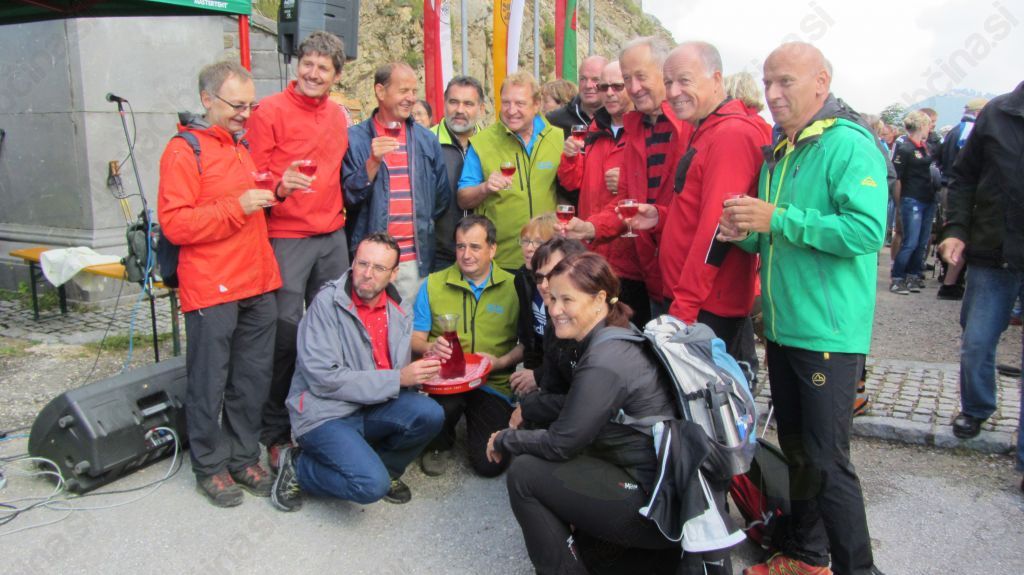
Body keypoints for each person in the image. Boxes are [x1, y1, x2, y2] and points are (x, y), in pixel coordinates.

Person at [719, 42, 887, 575]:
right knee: (799, 454)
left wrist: (777, 218)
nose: (772, 93)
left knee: (827, 461)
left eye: (785, 81)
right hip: (784, 329)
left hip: (828, 334)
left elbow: (866, 232)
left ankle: (859, 568)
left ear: (821, 82)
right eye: (767, 81)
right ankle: (807, 556)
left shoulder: (848, 143)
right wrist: (745, 234)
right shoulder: (784, 147)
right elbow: (778, 236)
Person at [488, 252, 730, 575]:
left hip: (654, 505)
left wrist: (505, 439)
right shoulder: (617, 333)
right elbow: (577, 412)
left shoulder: (605, 359)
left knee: (524, 474)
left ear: (600, 299)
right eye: (553, 298)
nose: (555, 309)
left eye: (567, 300)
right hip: (660, 489)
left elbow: (561, 443)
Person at [158, 60, 281, 507]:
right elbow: (175, 224)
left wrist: (275, 193)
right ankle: (210, 466)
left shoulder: (240, 145)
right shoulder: (183, 151)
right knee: (209, 382)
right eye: (237, 105)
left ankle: (243, 456)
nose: (245, 114)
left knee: (252, 380)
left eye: (251, 105)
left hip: (257, 281)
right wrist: (238, 206)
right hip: (213, 286)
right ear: (207, 99)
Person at [271, 234, 445, 512]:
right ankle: (299, 466)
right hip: (325, 413)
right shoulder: (326, 304)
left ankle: (384, 468)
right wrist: (399, 378)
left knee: (430, 413)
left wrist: (429, 359)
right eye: (363, 263)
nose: (367, 273)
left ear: (393, 274)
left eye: (379, 268)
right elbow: (324, 379)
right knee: (370, 486)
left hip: (371, 405)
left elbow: (397, 368)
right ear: (353, 263)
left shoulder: (400, 308)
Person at [628, 42, 769, 377]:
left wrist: (684, 309)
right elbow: (697, 211)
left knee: (704, 400)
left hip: (706, 307)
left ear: (716, 79)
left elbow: (715, 230)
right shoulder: (705, 128)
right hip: (695, 301)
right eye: (669, 82)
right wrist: (662, 216)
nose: (674, 92)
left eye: (684, 81)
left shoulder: (730, 134)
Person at [247, 31, 351, 468]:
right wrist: (278, 185)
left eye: (323, 67)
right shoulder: (269, 111)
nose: (313, 72)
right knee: (285, 336)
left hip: (332, 236)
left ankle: (328, 418)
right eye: (307, 63)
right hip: (287, 236)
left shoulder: (338, 115)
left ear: (336, 75)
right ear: (296, 64)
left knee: (335, 331)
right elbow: (250, 175)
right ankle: (274, 430)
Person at [564, 36, 691, 316]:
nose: (633, 88)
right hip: (655, 276)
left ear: (664, 73)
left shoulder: (688, 125)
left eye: (640, 77)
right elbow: (626, 201)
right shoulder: (638, 129)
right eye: (627, 78)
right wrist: (590, 228)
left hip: (689, 281)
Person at [938, 81, 1024, 492]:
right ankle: (976, 406)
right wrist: (955, 229)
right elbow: (963, 178)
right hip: (994, 251)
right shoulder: (998, 113)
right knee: (976, 341)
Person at [412, 215, 523, 477]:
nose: (466, 254)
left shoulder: (515, 286)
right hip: (446, 379)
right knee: (444, 408)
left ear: (492, 249)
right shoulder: (433, 284)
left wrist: (501, 362)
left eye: (475, 247)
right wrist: (431, 346)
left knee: (489, 466)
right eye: (461, 246)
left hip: (493, 381)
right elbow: (414, 339)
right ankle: (439, 443)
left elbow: (528, 345)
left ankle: (484, 420)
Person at [343, 62, 451, 302]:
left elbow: (441, 198)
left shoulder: (426, 140)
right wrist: (373, 162)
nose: (411, 98)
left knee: (410, 323)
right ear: (380, 91)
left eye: (414, 91)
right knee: (368, 322)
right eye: (403, 91)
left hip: (413, 261)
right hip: (370, 261)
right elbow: (348, 198)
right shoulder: (355, 139)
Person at [557, 59, 650, 328]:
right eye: (604, 86)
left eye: (617, 86)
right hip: (592, 255)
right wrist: (570, 157)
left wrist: (629, 180)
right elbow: (571, 183)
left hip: (630, 261)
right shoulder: (594, 130)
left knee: (627, 335)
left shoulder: (645, 131)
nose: (609, 93)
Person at [457, 72, 563, 272]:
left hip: (549, 258)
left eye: (520, 103)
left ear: (537, 104)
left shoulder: (557, 138)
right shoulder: (482, 142)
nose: (511, 110)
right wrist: (485, 188)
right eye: (506, 103)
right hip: (502, 260)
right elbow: (463, 198)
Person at [510, 237, 589, 429]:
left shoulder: (596, 327)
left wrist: (528, 407)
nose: (544, 285)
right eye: (539, 277)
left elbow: (587, 404)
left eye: (554, 274)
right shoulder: (555, 323)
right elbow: (552, 386)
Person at [430, 75, 486, 272]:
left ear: (481, 108)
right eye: (454, 102)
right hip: (437, 254)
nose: (460, 110)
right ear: (444, 103)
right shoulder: (427, 142)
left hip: (482, 253)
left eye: (468, 103)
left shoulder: (491, 144)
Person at [935, 98, 987, 301]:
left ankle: (948, 279)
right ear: (979, 112)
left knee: (952, 232)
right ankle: (950, 283)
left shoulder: (954, 130)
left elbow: (938, 158)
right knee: (963, 235)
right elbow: (967, 168)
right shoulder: (971, 130)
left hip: (948, 186)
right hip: (961, 190)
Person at [889, 110, 937, 296]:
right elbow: (897, 178)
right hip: (912, 199)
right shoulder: (905, 149)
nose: (930, 128)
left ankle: (913, 274)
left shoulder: (925, 147)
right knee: (911, 241)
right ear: (921, 125)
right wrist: (899, 203)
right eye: (928, 124)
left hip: (928, 198)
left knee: (922, 242)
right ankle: (897, 278)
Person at [513, 214, 559, 375]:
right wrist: (530, 372)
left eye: (538, 242)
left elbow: (567, 350)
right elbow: (529, 338)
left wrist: (537, 376)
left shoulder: (564, 281)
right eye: (525, 241)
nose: (529, 248)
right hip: (538, 364)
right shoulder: (522, 277)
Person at [545, 55, 608, 137]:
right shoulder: (554, 120)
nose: (588, 85)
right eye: (583, 79)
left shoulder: (617, 118)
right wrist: (563, 145)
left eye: (595, 80)